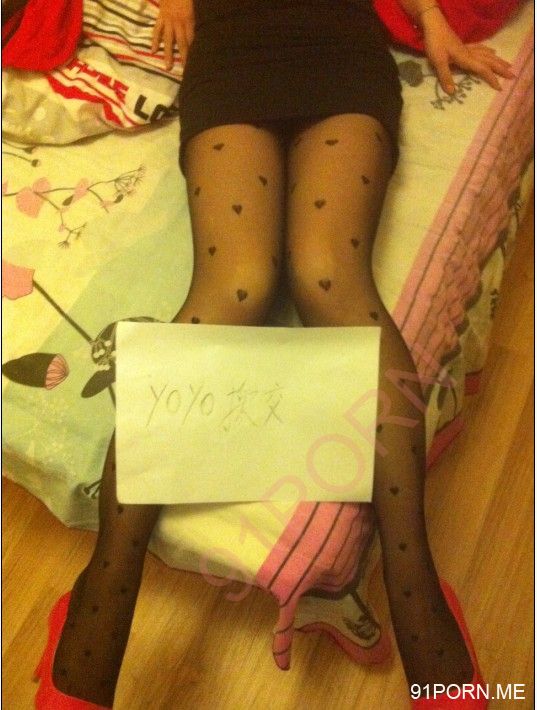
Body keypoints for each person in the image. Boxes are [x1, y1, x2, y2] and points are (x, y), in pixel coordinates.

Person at [34, 1, 514, 708]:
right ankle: (102, 595)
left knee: (328, 278)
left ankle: (418, 600)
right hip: (233, 55)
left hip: (341, 53)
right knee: (237, 284)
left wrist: (430, 18)